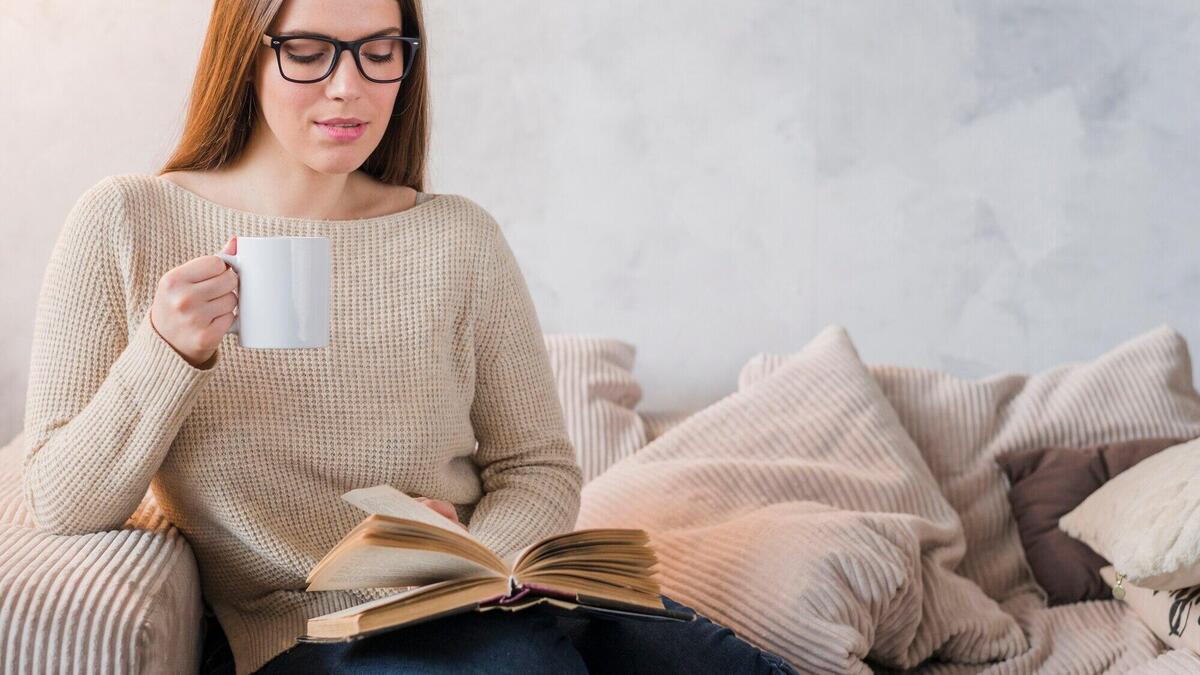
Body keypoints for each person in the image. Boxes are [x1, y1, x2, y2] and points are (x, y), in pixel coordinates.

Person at [22, 0, 797, 673]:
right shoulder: (127, 222)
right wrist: (168, 349)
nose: (349, 85)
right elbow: (59, 499)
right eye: (308, 50)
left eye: (379, 50)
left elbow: (537, 467)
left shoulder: (457, 238)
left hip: (500, 595)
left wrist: (477, 563)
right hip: (316, 634)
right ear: (245, 48)